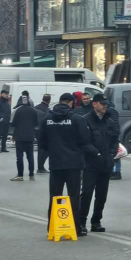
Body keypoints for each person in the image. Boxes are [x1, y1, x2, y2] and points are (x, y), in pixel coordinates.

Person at [40, 93, 90, 237]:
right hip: (74, 163)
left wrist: (53, 150)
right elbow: (84, 140)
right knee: (74, 196)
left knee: (55, 196)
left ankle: (52, 227)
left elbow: (42, 141)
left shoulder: (47, 119)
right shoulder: (77, 119)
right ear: (71, 103)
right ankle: (75, 228)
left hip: (56, 162)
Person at [80, 95, 118, 233]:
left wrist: (111, 154)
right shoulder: (85, 120)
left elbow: (115, 139)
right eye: (102, 104)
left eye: (106, 104)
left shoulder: (109, 121)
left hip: (105, 164)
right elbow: (84, 141)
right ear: (94, 104)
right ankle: (81, 222)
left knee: (102, 195)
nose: (105, 106)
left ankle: (96, 221)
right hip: (90, 163)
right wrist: (96, 153)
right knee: (87, 194)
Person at [10, 91, 39, 181]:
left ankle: (20, 175)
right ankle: (31, 175)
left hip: (19, 136)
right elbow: (36, 123)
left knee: (19, 157)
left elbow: (13, 124)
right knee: (30, 157)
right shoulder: (33, 110)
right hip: (30, 136)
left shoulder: (18, 110)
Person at [35, 94, 51, 174]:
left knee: (40, 148)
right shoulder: (47, 110)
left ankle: (40, 166)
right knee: (45, 149)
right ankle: (40, 167)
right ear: (49, 100)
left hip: (35, 130)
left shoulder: (35, 107)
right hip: (43, 131)